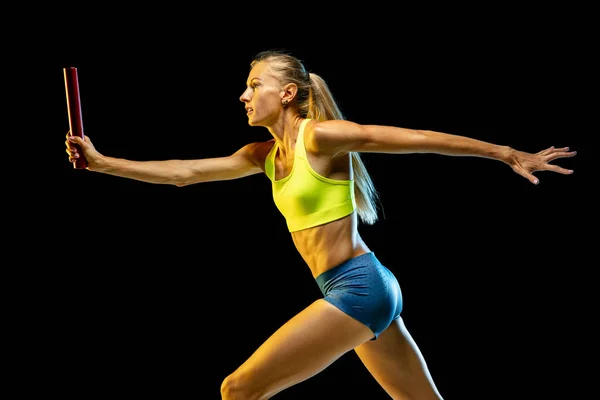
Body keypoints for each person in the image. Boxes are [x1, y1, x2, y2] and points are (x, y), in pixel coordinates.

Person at [65, 49, 576, 399]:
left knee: (237, 390)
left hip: (359, 288)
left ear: (288, 93)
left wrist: (506, 153)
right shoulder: (262, 155)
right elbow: (184, 174)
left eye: (253, 84)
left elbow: (412, 137)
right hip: (364, 287)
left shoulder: (319, 138)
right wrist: (105, 162)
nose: (243, 95)